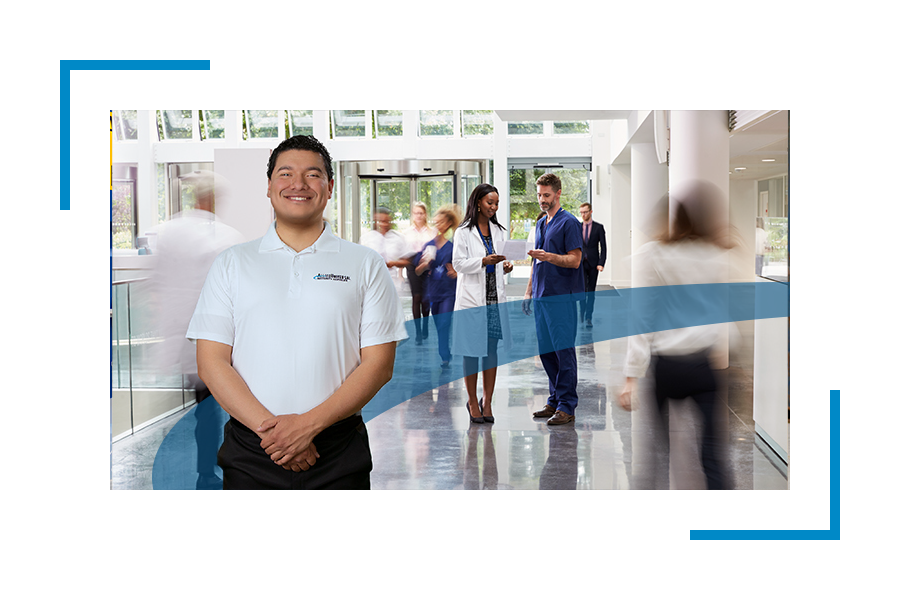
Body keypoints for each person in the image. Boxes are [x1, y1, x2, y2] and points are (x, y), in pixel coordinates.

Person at [186, 135, 407, 490]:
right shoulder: (232, 263)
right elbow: (211, 362)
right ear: (270, 187)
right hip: (251, 448)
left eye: (313, 175)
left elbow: (379, 365)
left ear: (330, 187)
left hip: (337, 450)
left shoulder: (365, 264)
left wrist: (308, 426)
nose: (299, 184)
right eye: (286, 174)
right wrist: (277, 435)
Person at [618, 181, 734, 489]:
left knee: (656, 454)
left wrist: (631, 376)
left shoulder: (653, 255)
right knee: (712, 456)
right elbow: (723, 312)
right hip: (703, 365)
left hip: (667, 366)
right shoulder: (714, 255)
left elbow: (643, 318)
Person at [150, 170, 244, 489]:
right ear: (213, 198)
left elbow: (158, 285)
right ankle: (217, 466)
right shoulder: (225, 237)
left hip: (184, 335)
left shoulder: (169, 232)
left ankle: (206, 467)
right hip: (216, 337)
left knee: (205, 405)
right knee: (222, 404)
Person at [524, 173, 584, 426]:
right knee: (546, 351)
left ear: (558, 193)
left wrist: (550, 257)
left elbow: (575, 259)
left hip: (561, 297)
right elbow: (535, 261)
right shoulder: (540, 224)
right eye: (539, 195)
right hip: (541, 295)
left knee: (563, 351)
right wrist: (528, 291)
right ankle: (555, 400)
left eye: (546, 195)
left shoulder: (569, 223)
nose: (542, 200)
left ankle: (567, 405)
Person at [452, 183, 513, 424]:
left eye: (496, 203)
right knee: (470, 353)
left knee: (490, 351)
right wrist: (483, 261)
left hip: (493, 299)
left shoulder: (498, 230)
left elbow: (497, 264)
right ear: (478, 202)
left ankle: (487, 401)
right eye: (490, 203)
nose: (494, 207)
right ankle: (471, 400)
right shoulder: (463, 232)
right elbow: (458, 264)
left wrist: (503, 267)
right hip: (472, 301)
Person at [415, 204, 461, 368]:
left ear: (449, 223)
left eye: (442, 222)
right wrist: (425, 265)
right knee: (440, 324)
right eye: (436, 222)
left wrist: (457, 273)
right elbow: (418, 271)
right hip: (434, 292)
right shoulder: (429, 245)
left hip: (449, 291)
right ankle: (445, 352)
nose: (438, 225)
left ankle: (444, 356)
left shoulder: (454, 247)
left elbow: (462, 268)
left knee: (444, 323)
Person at [360, 206, 414, 295]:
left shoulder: (398, 238)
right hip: (371, 283)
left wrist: (393, 263)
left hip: (392, 283)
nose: (383, 224)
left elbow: (407, 260)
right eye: (380, 221)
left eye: (385, 221)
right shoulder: (366, 239)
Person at [404, 202, 437, 344]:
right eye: (416, 213)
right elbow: (404, 253)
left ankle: (425, 327)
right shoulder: (407, 233)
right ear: (413, 215)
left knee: (425, 300)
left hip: (427, 266)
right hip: (412, 266)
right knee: (416, 298)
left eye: (421, 213)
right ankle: (418, 332)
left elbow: (435, 250)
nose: (419, 215)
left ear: (425, 215)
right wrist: (400, 273)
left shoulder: (432, 231)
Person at [577, 202, 607, 329]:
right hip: (580, 264)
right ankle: (581, 314)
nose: (583, 215)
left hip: (594, 264)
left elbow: (604, 248)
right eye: (581, 212)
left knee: (591, 292)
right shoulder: (577, 227)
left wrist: (601, 263)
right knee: (582, 291)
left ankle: (589, 317)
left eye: (585, 212)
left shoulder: (598, 227)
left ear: (591, 212)